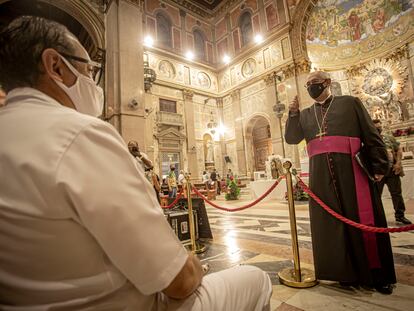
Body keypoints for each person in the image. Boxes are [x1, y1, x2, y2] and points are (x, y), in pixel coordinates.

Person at [0, 16, 272, 310]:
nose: (93, 81)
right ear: (55, 66)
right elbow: (178, 280)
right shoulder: (79, 133)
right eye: (89, 70)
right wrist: (192, 265)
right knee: (256, 278)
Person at [285, 71, 396, 294]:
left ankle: (376, 275)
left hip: (352, 173)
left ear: (327, 83)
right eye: (307, 85)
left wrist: (379, 166)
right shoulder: (306, 114)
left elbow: (370, 134)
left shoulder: (350, 103)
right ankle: (342, 273)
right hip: (320, 178)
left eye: (314, 83)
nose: (310, 87)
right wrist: (293, 113)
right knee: (331, 225)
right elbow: (292, 138)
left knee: (362, 219)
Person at [373, 119, 412, 225]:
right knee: (376, 196)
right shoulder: (369, 139)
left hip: (392, 170)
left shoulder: (388, 138)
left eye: (379, 126)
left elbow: (398, 149)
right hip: (377, 171)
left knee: (396, 194)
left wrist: (398, 163)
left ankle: (400, 216)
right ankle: (377, 217)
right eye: (376, 127)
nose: (378, 128)